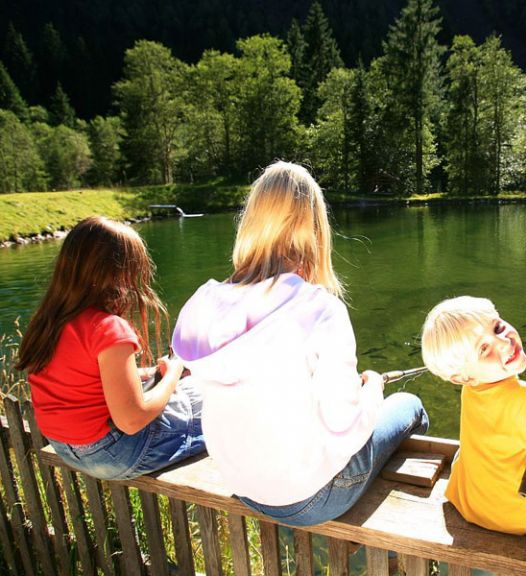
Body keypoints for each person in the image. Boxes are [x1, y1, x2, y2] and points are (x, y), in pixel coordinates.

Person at [172, 161, 428, 526]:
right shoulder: (319, 308)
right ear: (315, 228)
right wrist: (370, 390)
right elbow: (344, 425)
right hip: (313, 498)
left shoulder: (206, 304)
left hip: (244, 487)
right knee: (409, 405)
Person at [16, 216, 205, 480]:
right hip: (118, 454)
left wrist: (148, 372)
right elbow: (131, 421)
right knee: (212, 396)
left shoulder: (50, 320)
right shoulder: (107, 328)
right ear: (118, 272)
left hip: (66, 448)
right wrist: (173, 373)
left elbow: (84, 379)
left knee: (190, 391)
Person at [421, 296, 526, 535]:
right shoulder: (524, 399)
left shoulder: (471, 388)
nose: (503, 342)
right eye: (483, 349)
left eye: (498, 328)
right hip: (525, 516)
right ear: (464, 377)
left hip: (470, 504)